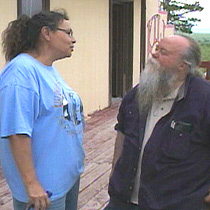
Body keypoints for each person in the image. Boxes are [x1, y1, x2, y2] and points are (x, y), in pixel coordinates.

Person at [104, 35, 210, 210]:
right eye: (156, 48)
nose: (153, 55)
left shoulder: (204, 99)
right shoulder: (137, 94)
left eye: (163, 52)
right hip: (123, 200)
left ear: (182, 66)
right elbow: (122, 133)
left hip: (176, 203)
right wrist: (116, 172)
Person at [0, 9, 84, 210]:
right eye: (68, 32)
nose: (73, 40)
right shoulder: (20, 73)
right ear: (46, 33)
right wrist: (32, 184)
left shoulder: (47, 69)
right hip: (43, 192)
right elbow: (17, 132)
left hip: (65, 180)